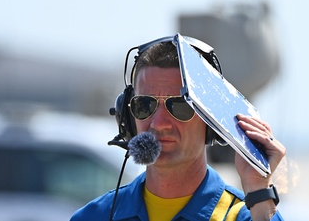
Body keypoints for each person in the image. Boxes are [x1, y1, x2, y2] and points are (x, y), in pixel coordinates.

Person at [70, 35, 286, 221]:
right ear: (127, 115)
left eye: (179, 105)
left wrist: (259, 189)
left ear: (211, 121)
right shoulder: (95, 216)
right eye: (145, 105)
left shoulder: (248, 215)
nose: (159, 123)